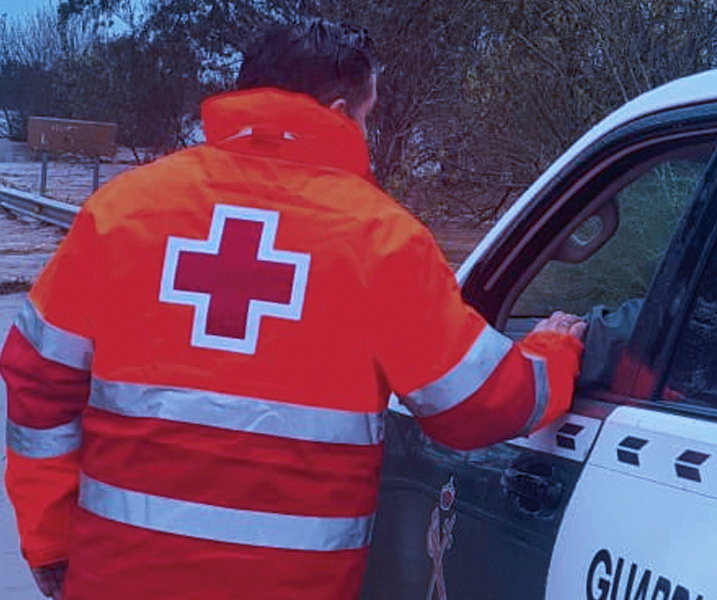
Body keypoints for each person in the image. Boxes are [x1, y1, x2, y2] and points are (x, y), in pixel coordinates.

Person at [1, 19, 585, 600]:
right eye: (366, 114)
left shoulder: (121, 213)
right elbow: (474, 404)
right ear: (337, 111)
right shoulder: (379, 238)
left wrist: (50, 539)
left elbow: (37, 382)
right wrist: (554, 352)